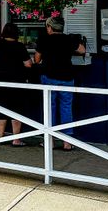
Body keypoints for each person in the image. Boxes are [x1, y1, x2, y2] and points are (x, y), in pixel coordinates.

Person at [34, 15, 85, 151]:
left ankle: (49, 141)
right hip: (67, 77)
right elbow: (82, 50)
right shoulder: (69, 39)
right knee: (66, 107)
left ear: (49, 27)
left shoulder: (44, 39)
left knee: (50, 108)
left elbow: (37, 59)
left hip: (49, 76)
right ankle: (67, 142)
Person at [0, 23, 32, 146]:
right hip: (16, 81)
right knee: (16, 109)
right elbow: (28, 64)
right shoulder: (20, 46)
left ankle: (1, 136)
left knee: (0, 108)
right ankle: (16, 139)